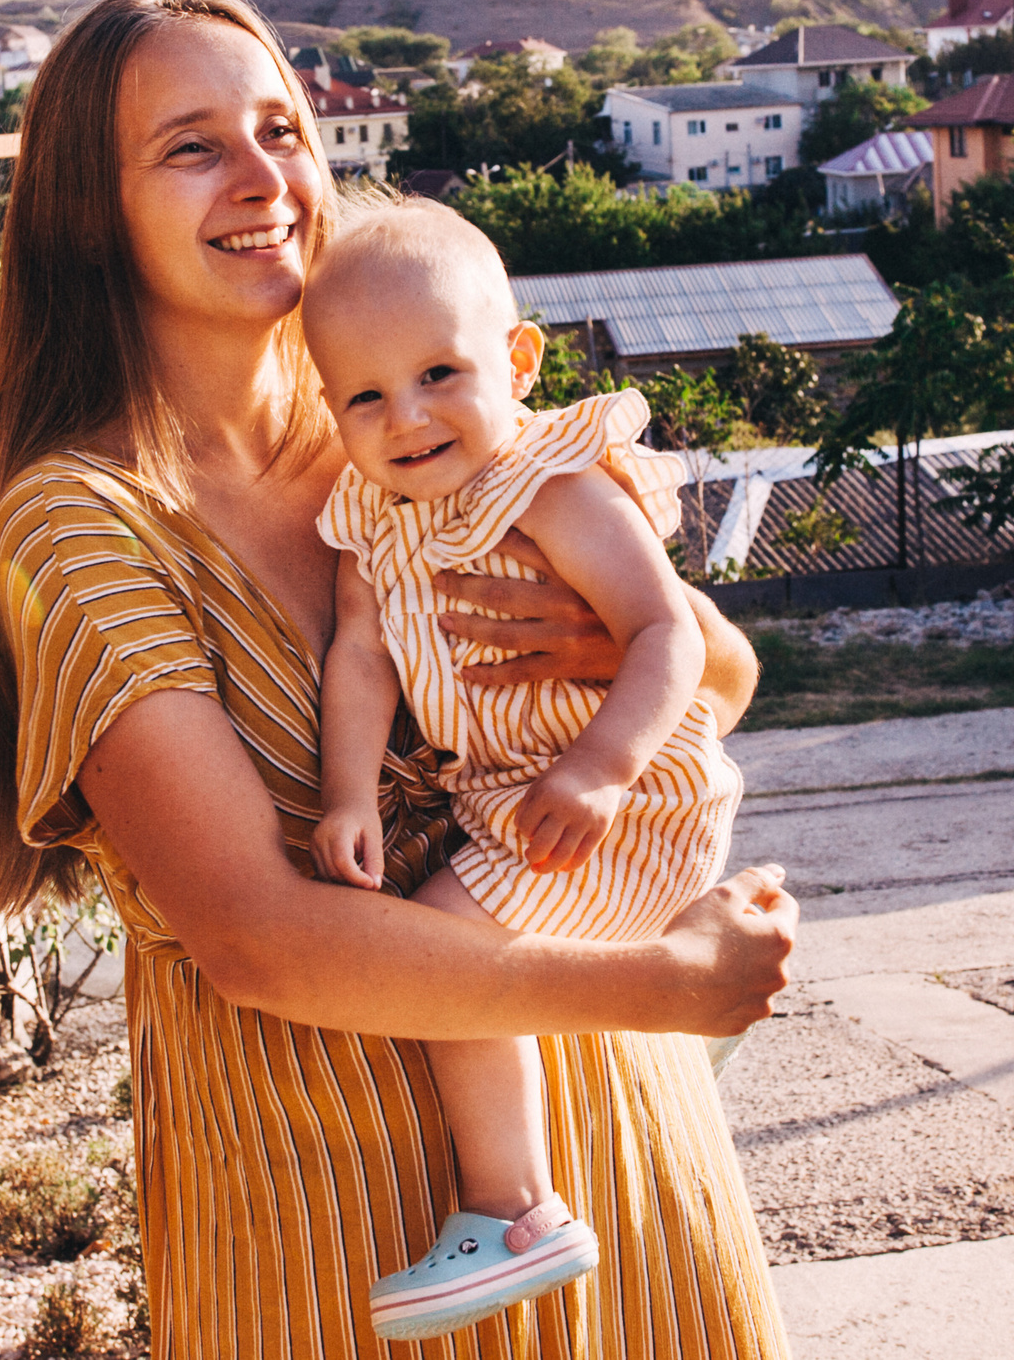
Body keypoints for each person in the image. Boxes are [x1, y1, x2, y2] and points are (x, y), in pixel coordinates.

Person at [0, 0, 796, 1358]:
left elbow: (718, 674)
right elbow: (257, 939)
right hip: (335, 1207)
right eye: (192, 146)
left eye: (282, 127)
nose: (265, 177)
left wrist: (614, 649)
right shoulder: (80, 518)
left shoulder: (403, 421)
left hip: (618, 1139)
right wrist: (665, 982)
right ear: (95, 207)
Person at [303, 203, 747, 1340]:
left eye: (439, 373)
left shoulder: (553, 486)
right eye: (363, 396)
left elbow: (669, 634)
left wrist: (602, 765)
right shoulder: (367, 516)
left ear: (517, 359)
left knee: (447, 958)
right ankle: (521, 1201)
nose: (404, 419)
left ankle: (515, 1215)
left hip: (626, 799)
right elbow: (358, 659)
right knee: (447, 947)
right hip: (513, 801)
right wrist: (347, 793)